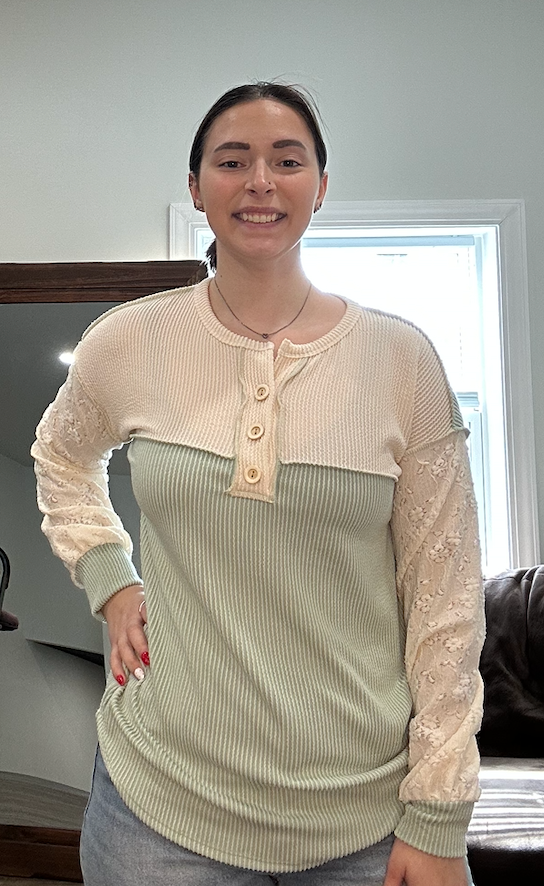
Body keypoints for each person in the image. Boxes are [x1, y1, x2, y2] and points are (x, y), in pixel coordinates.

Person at [32, 82, 484, 886]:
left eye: (288, 161)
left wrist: (439, 809)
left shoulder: (402, 362)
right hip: (157, 810)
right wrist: (110, 578)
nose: (261, 182)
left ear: (322, 185)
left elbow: (444, 599)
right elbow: (61, 456)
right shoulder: (129, 341)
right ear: (196, 186)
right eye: (232, 161)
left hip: (364, 817)